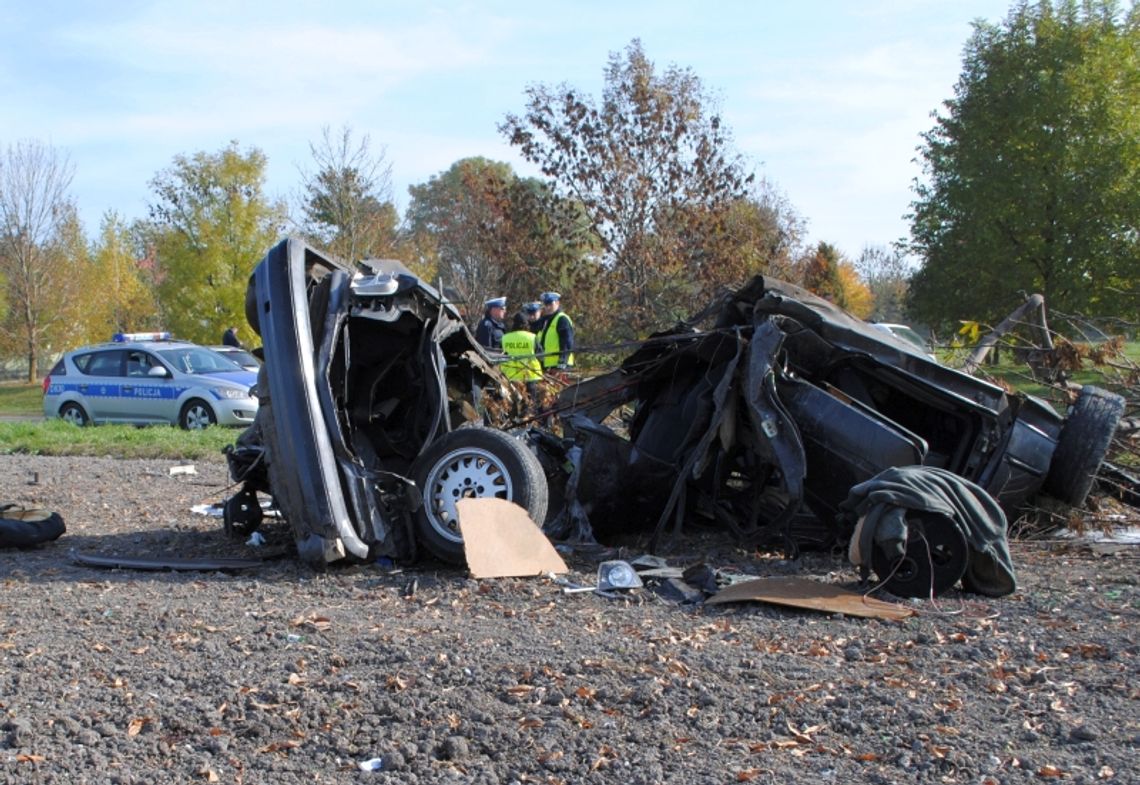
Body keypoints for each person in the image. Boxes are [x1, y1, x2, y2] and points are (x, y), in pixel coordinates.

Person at [500, 312, 544, 402]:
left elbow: (500, 356)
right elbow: (541, 356)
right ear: (526, 324)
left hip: (511, 376)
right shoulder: (532, 337)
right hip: (531, 376)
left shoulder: (505, 338)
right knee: (531, 404)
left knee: (513, 404)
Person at [536, 291, 574, 371]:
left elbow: (567, 342)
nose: (548, 307)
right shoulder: (546, 320)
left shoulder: (562, 319)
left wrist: (563, 360)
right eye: (546, 305)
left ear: (557, 303)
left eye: (550, 304)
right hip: (548, 364)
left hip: (560, 365)